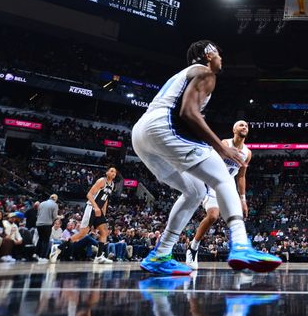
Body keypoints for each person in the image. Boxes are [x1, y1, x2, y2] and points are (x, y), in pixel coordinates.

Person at [131, 40, 281, 275]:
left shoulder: (185, 74)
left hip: (141, 135)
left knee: (195, 192)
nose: (222, 59)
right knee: (223, 176)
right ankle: (241, 245)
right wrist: (220, 148)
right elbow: (188, 113)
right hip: (162, 126)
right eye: (219, 54)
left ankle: (160, 255)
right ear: (209, 54)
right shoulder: (205, 71)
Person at [186, 120, 252, 270]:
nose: (244, 127)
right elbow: (212, 164)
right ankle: (193, 247)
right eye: (241, 125)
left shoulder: (247, 153)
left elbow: (241, 176)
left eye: (246, 126)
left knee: (238, 219)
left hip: (228, 186)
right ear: (234, 129)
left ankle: (240, 255)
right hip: (213, 182)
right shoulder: (225, 144)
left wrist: (243, 199)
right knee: (213, 216)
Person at [71, 167, 117, 264]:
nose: (114, 173)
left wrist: (103, 213)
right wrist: (96, 207)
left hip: (99, 210)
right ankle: (59, 247)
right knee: (82, 233)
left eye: (115, 172)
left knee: (104, 232)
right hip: (91, 207)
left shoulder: (112, 185)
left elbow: (105, 200)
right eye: (112, 171)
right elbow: (89, 194)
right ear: (107, 172)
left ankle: (99, 256)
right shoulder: (101, 181)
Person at [35, 194, 60, 262]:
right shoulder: (55, 205)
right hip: (47, 224)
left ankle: (36, 254)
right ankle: (42, 257)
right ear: (55, 199)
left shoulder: (42, 203)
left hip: (39, 224)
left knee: (40, 239)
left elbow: (38, 213)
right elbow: (54, 216)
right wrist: (60, 217)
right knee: (46, 241)